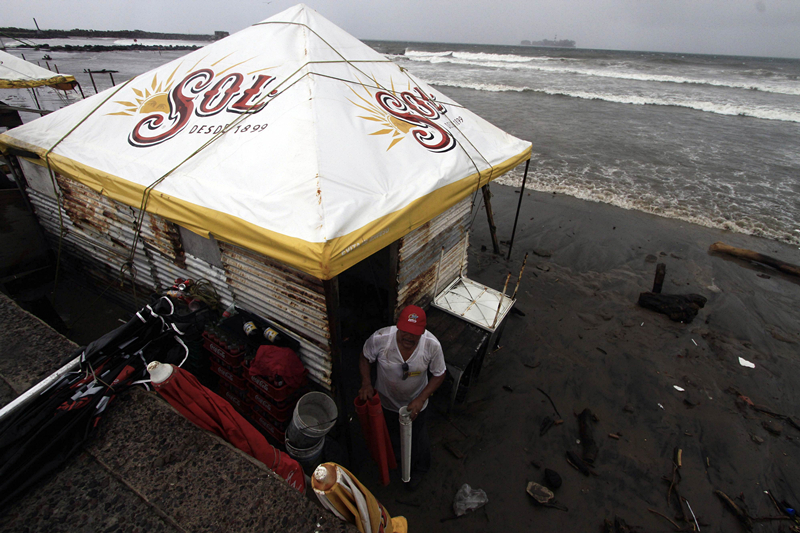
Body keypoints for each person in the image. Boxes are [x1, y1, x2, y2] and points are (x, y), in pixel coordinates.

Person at [358, 305, 446, 490]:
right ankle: (396, 462)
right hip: (386, 403)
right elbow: (365, 357)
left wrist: (421, 399)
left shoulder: (432, 345)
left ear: (422, 332)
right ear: (397, 327)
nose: (409, 337)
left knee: (418, 439)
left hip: (415, 406)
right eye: (405, 331)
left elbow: (439, 374)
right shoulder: (381, 339)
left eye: (414, 333)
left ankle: (420, 469)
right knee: (391, 435)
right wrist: (366, 383)